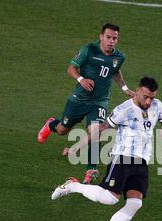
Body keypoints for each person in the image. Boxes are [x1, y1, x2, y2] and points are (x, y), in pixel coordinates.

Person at [51, 77, 162, 221]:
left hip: (142, 161)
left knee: (135, 204)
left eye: (152, 98)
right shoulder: (124, 110)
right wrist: (76, 147)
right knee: (110, 199)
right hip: (122, 157)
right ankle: (73, 186)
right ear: (138, 90)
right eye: (146, 96)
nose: (149, 101)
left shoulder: (157, 105)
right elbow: (99, 129)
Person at [38, 23, 135, 184]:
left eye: (115, 38)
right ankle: (51, 124)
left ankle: (91, 169)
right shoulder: (88, 50)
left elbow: (115, 70)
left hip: (99, 102)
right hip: (79, 100)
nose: (111, 41)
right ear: (101, 37)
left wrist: (125, 88)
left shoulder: (119, 57)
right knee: (62, 129)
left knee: (96, 132)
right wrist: (81, 79)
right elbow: (71, 68)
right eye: (108, 37)